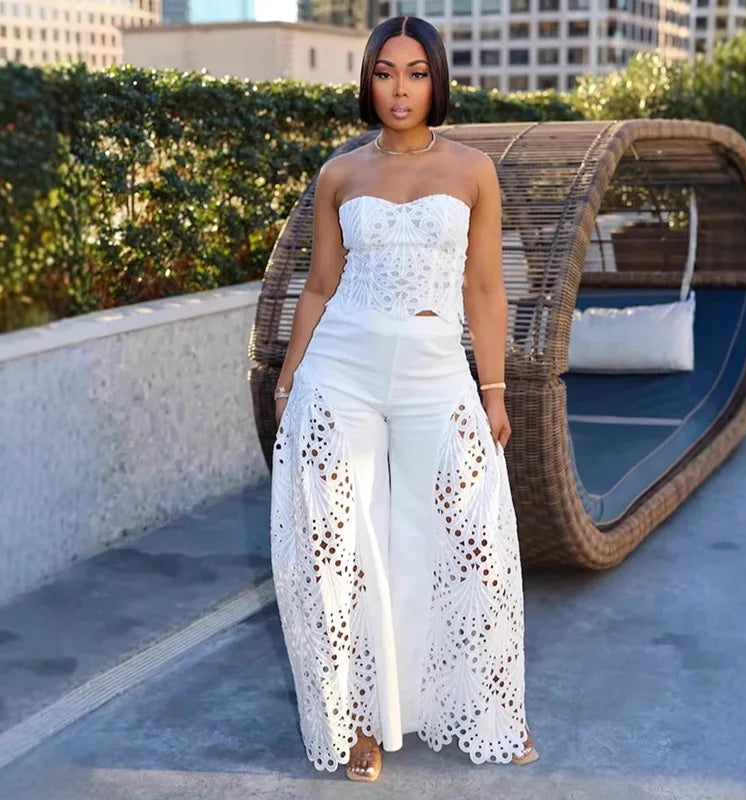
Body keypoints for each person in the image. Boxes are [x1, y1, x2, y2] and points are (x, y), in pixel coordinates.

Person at [269, 14, 539, 782]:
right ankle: (352, 723)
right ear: (367, 80)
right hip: (340, 369)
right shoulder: (339, 175)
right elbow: (320, 286)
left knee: (474, 543)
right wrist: (290, 380)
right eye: (385, 72)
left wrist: (493, 391)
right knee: (336, 553)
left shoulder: (472, 170)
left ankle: (492, 711)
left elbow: (486, 290)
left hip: (434, 370)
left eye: (416, 73)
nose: (399, 88)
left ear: (436, 81)